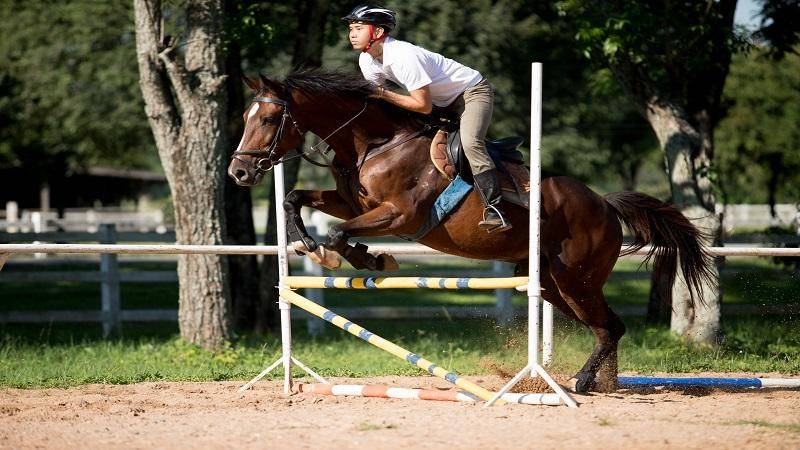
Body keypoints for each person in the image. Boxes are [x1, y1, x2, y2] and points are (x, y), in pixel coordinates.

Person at [343, 5, 511, 233]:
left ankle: (496, 209)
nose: (352, 34)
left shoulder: (403, 56)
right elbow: (378, 104)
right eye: (351, 28)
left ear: (379, 33)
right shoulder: (367, 60)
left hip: (471, 93)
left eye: (359, 28)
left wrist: (383, 94)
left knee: (471, 144)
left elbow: (422, 105)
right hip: (441, 103)